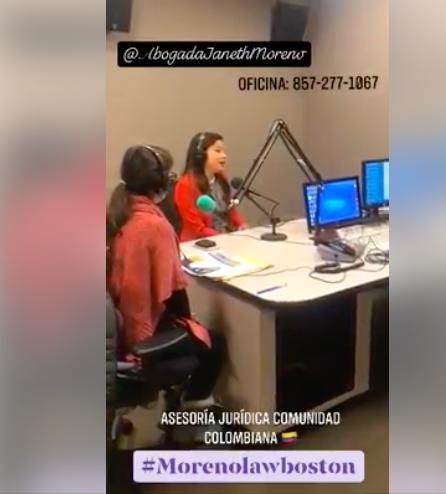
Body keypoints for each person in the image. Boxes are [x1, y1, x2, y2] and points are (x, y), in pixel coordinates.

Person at [107, 144, 223, 405]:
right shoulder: (155, 226)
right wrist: (190, 322)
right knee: (214, 344)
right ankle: (188, 415)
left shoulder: (117, 214)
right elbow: (175, 293)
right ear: (159, 181)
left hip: (119, 331)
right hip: (140, 339)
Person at [174, 132, 247, 241]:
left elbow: (230, 210)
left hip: (225, 238)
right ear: (200, 155)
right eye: (218, 151)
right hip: (200, 243)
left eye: (223, 151)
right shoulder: (185, 185)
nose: (224, 155)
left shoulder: (221, 179)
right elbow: (197, 228)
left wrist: (241, 226)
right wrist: (226, 238)